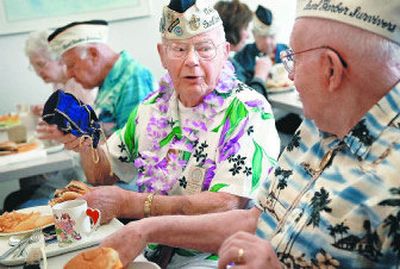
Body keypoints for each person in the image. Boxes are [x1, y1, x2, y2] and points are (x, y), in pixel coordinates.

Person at [95, 0, 400, 268]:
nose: (289, 74)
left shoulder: (393, 175)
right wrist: (145, 230)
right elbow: (260, 219)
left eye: (292, 58)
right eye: (179, 49)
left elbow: (229, 204)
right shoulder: (316, 127)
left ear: (330, 70)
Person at [39, 0, 280, 267]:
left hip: (216, 255)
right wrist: (87, 143)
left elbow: (225, 204)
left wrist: (130, 203)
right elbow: (104, 172)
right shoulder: (151, 108)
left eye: (204, 49)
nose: (192, 60)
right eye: (178, 49)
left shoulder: (249, 111)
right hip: (150, 249)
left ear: (224, 52)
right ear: (162, 54)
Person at [47, 20, 154, 137]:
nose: (69, 74)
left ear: (93, 54)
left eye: (71, 65)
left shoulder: (133, 79)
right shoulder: (107, 81)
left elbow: (134, 146)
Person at [235, 5, 302, 136]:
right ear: (254, 35)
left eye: (271, 36)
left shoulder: (286, 52)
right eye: (263, 37)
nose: (268, 42)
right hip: (256, 117)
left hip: (287, 115)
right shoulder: (243, 55)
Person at [25, 30, 97, 115]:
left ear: (59, 58)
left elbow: (89, 120)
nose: (38, 72)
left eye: (41, 64)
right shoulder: (58, 82)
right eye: (34, 66)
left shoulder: (80, 82)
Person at [214, 0, 271, 97]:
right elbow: (248, 105)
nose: (248, 35)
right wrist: (260, 76)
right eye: (245, 28)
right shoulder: (223, 67)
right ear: (233, 29)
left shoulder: (227, 60)